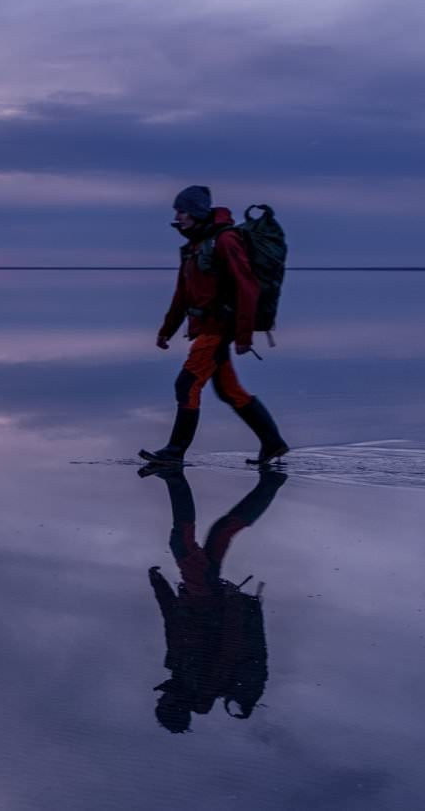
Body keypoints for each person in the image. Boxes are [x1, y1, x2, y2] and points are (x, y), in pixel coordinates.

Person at [141, 185, 289, 466]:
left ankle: (174, 452)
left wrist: (244, 335)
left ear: (196, 212)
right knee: (229, 390)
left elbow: (247, 287)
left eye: (182, 211)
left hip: (219, 328)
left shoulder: (225, 240)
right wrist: (166, 331)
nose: (177, 216)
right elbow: (182, 294)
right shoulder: (194, 246)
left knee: (187, 384)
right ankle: (273, 443)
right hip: (207, 327)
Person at [141, 465, 286, 733]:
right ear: (177, 706)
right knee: (182, 543)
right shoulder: (204, 682)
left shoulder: (179, 671)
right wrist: (234, 605)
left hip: (200, 596)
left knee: (221, 532)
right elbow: (230, 644)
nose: (162, 698)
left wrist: (158, 584)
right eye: (165, 703)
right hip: (207, 597)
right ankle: (174, 476)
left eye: (161, 702)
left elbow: (172, 622)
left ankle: (272, 482)